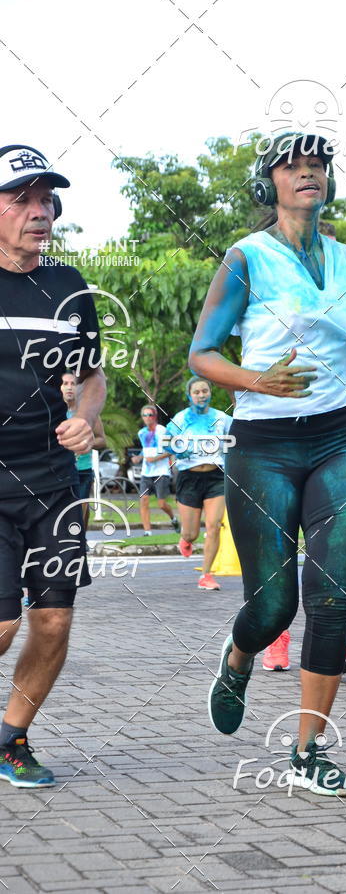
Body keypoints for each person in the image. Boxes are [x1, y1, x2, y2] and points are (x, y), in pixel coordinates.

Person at [190, 132, 346, 795]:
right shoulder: (246, 258)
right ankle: (238, 656)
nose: (308, 173)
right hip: (264, 446)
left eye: (318, 165)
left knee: (332, 598)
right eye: (293, 165)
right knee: (274, 606)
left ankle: (309, 752)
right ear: (271, 183)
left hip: (341, 440)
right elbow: (202, 354)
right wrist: (257, 381)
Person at [0, 144, 106, 787]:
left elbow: (92, 375)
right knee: (2, 622)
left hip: (52, 482)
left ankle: (11, 738)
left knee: (53, 619)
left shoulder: (69, 287)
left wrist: (86, 419)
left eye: (47, 200)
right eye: (23, 199)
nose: (39, 212)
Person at [263, 217, 346, 676]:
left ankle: (330, 641)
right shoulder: (269, 285)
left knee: (332, 558)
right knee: (281, 557)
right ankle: (274, 640)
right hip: (274, 442)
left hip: (336, 439)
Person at [163, 377, 232, 590]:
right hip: (189, 478)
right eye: (197, 392)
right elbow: (165, 441)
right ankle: (186, 539)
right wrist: (177, 450)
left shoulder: (221, 418)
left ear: (210, 393)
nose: (201, 395)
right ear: (189, 395)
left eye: (205, 391)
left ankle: (206, 575)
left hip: (216, 477)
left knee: (214, 526)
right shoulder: (181, 418)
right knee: (191, 533)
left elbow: (238, 437)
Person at [61, 371, 106, 529]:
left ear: (79, 388)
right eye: (65, 384)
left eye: (73, 384)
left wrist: (85, 442)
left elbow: (102, 440)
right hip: (60, 472)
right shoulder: (54, 413)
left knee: (79, 513)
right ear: (60, 388)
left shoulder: (88, 414)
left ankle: (81, 540)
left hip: (83, 471)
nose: (69, 387)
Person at [131, 405, 179, 536]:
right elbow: (145, 450)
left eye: (150, 415)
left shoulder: (162, 431)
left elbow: (172, 450)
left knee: (161, 504)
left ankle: (173, 519)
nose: (148, 418)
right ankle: (147, 532)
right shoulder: (141, 433)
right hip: (146, 473)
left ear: (155, 416)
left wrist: (156, 458)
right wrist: (139, 457)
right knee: (143, 501)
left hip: (161, 472)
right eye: (145, 415)